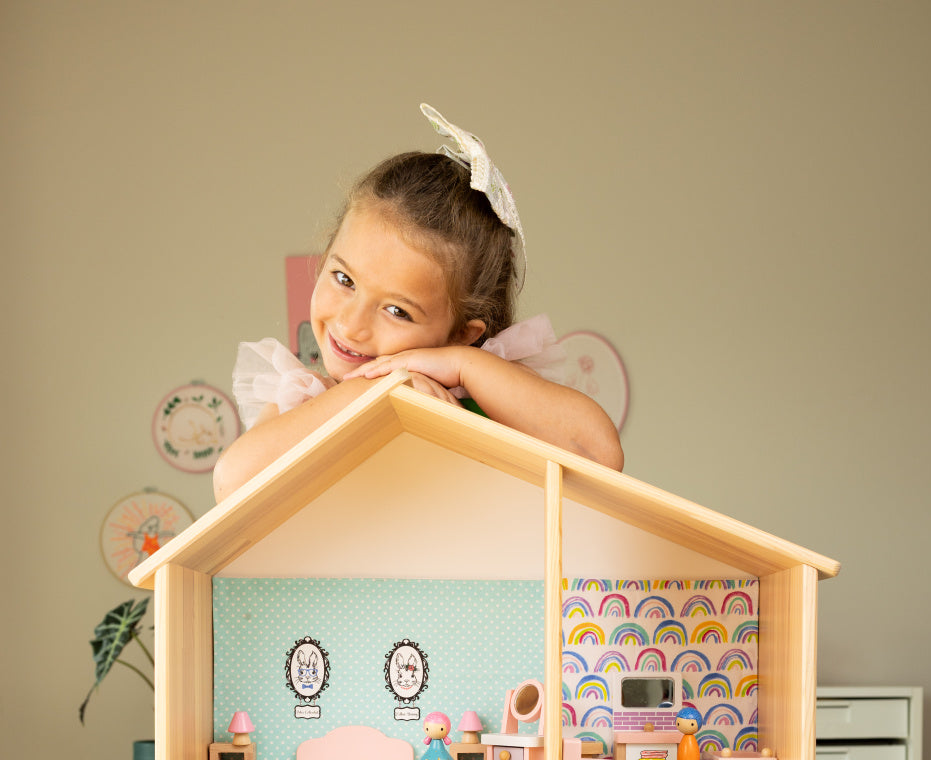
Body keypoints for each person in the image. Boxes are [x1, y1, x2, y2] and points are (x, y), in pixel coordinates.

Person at [213, 105, 624, 503]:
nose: (353, 324)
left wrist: (465, 365)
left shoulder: (489, 397)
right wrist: (366, 394)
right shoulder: (306, 403)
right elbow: (232, 486)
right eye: (344, 279)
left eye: (397, 311)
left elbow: (600, 455)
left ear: (462, 335)